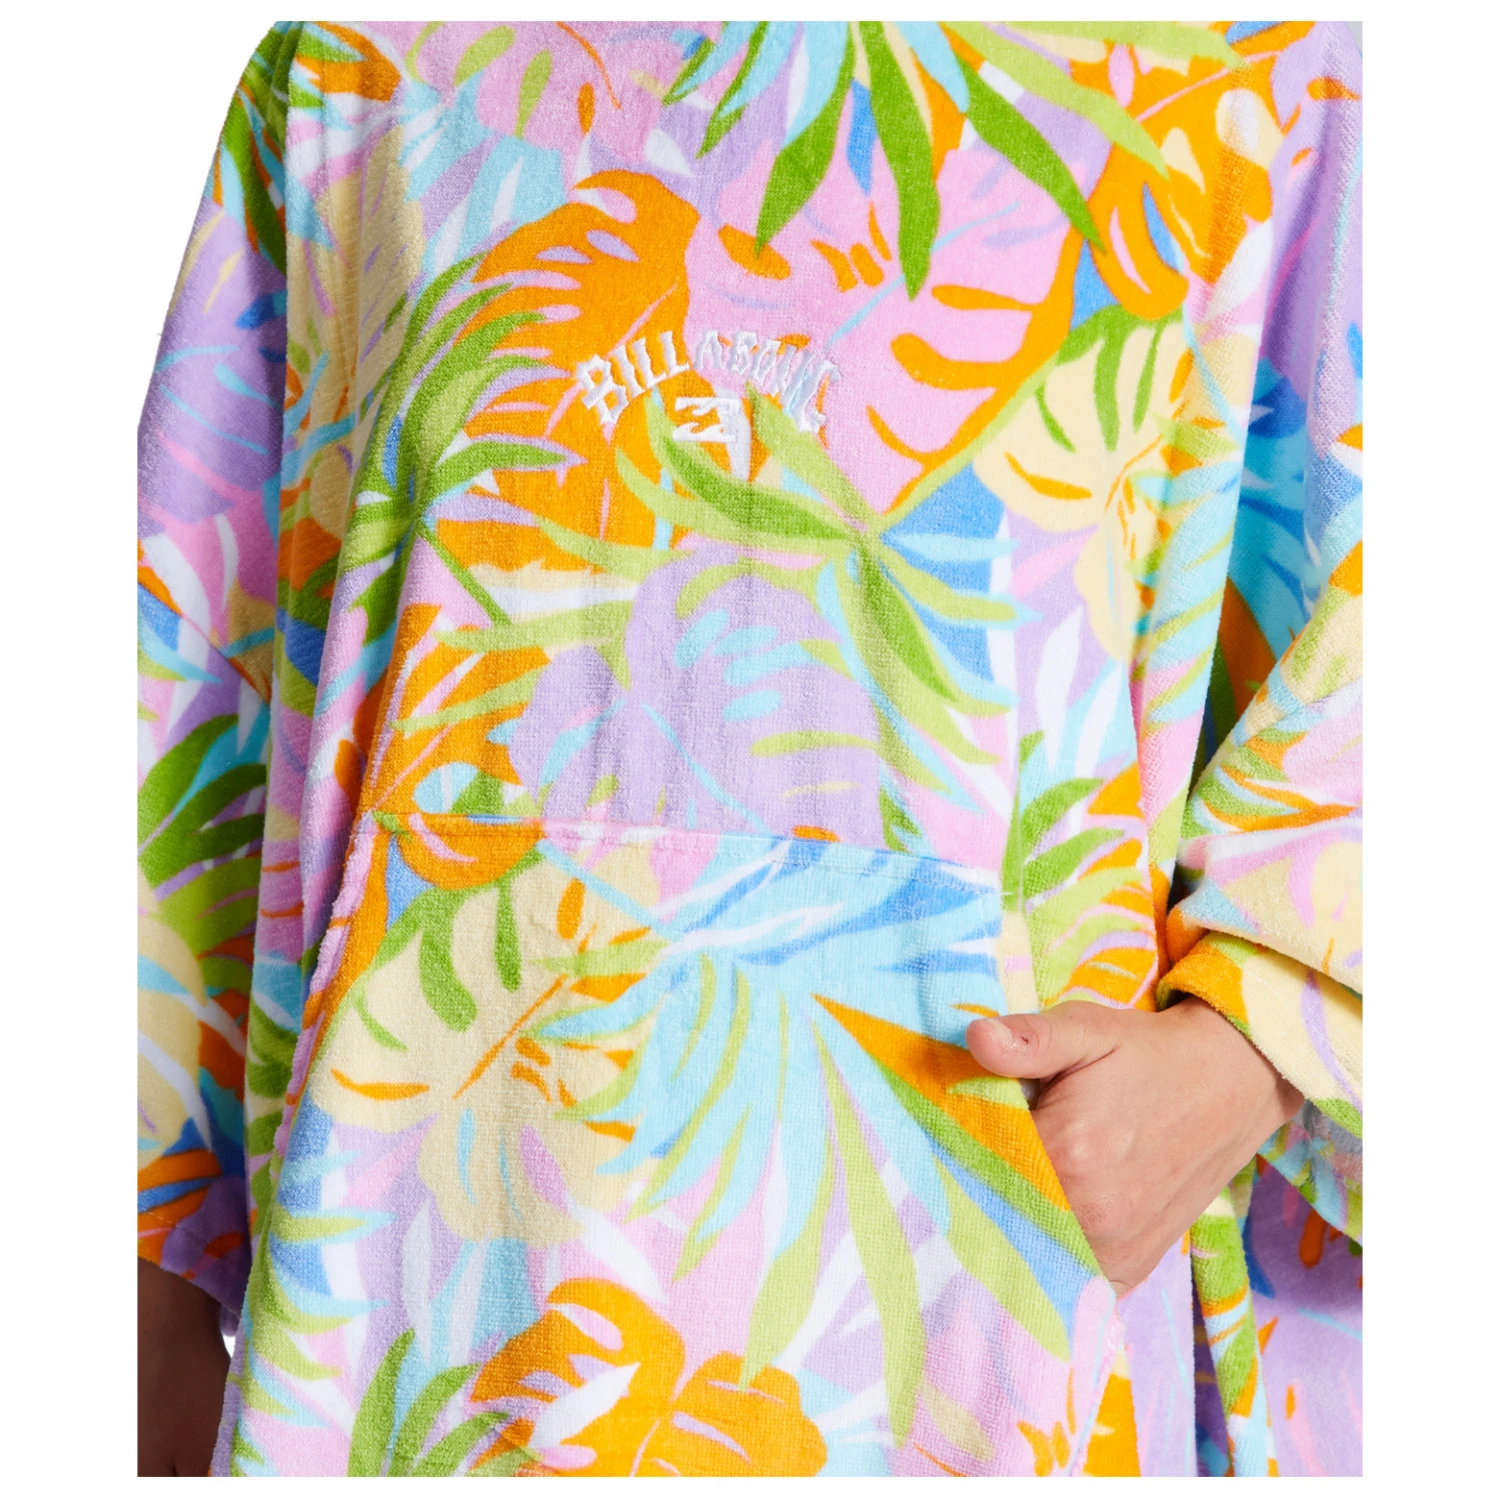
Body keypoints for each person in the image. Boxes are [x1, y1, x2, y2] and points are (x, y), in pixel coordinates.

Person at [138, 20, 1361, 1477]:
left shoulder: (1250, 65)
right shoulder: (365, 59)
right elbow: (188, 691)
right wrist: (146, 1342)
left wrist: (1245, 1053)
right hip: (415, 1288)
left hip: (989, 1290)